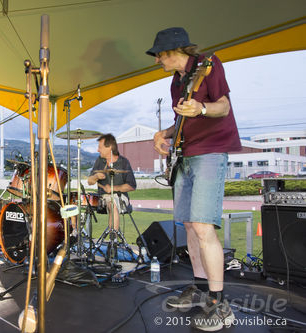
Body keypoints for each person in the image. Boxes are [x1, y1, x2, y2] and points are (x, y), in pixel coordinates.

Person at [147, 27, 241, 331]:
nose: (157, 60)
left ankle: (220, 304)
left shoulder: (209, 64)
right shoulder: (176, 81)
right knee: (188, 223)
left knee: (202, 225)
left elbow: (223, 106)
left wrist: (201, 107)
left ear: (172, 52)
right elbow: (181, 119)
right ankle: (200, 290)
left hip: (210, 153)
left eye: (159, 54)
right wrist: (165, 134)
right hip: (185, 155)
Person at [87, 134, 136, 231]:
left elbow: (132, 186)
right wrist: (96, 176)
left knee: (112, 204)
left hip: (120, 197)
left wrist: (113, 189)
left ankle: (113, 239)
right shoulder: (99, 161)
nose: (98, 150)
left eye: (100, 147)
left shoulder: (124, 162)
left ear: (109, 147)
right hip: (102, 198)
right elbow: (90, 181)